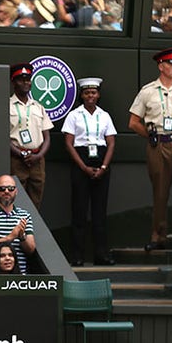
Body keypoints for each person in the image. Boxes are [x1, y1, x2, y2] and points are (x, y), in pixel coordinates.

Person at [129, 48, 172, 251]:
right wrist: (150, 135)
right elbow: (133, 122)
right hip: (158, 144)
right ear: (161, 66)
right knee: (160, 192)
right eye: (171, 64)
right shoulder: (148, 91)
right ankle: (158, 234)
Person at [62, 77, 116, 266]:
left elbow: (111, 143)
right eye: (86, 93)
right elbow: (68, 143)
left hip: (101, 160)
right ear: (82, 95)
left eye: (93, 92)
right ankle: (77, 256)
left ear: (98, 94)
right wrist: (83, 167)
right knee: (79, 211)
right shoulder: (74, 115)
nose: (90, 96)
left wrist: (103, 167)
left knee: (99, 212)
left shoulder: (105, 115)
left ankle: (101, 255)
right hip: (80, 160)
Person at [7, 62, 51, 208]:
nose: (25, 83)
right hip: (17, 159)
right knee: (17, 200)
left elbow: (47, 137)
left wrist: (38, 156)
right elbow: (3, 137)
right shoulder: (7, 105)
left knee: (36, 199)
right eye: (21, 79)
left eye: (28, 79)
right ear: (13, 82)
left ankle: (33, 230)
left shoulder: (38, 107)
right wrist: (21, 154)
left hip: (37, 160)